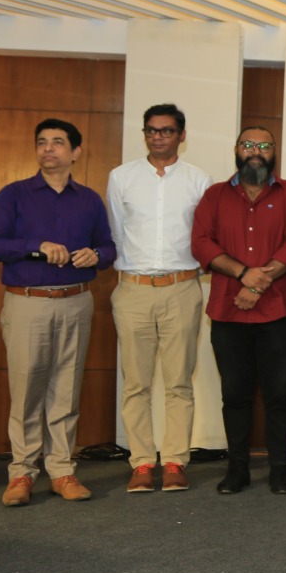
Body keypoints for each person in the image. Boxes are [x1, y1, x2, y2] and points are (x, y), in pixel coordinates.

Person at [0, 118, 117, 506]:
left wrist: (96, 254)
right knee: (26, 391)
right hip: (28, 301)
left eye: (57, 142)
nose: (48, 148)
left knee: (66, 390)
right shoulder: (14, 195)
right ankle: (22, 473)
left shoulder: (89, 199)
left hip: (76, 301)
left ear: (75, 152)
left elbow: (108, 248)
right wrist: (35, 245)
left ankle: (62, 471)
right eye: (42, 142)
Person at [191, 127, 286, 495]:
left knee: (279, 396)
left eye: (263, 145)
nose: (255, 151)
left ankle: (280, 470)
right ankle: (237, 469)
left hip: (275, 313)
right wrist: (243, 273)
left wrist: (257, 285)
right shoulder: (214, 195)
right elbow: (201, 243)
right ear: (236, 150)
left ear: (274, 152)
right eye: (248, 145)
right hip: (228, 313)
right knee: (235, 396)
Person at [106, 104, 211, 494]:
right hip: (132, 289)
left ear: (181, 136)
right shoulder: (121, 177)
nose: (157, 137)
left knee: (178, 383)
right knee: (136, 383)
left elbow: (203, 235)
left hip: (182, 288)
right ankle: (142, 462)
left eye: (166, 131)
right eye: (151, 130)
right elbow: (116, 232)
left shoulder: (199, 180)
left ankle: (175, 461)